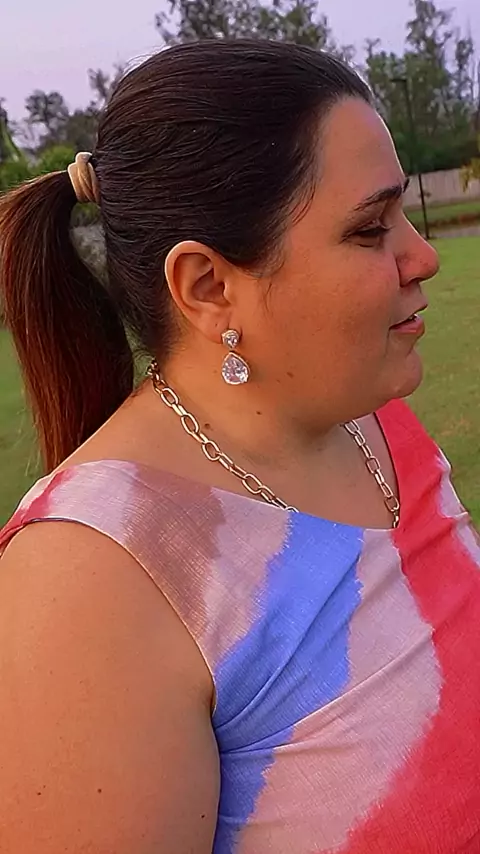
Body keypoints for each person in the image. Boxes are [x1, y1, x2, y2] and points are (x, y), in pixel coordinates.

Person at [0, 39, 479, 854]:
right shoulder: (88, 583)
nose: (422, 255)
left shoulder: (367, 420)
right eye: (370, 229)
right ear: (209, 286)